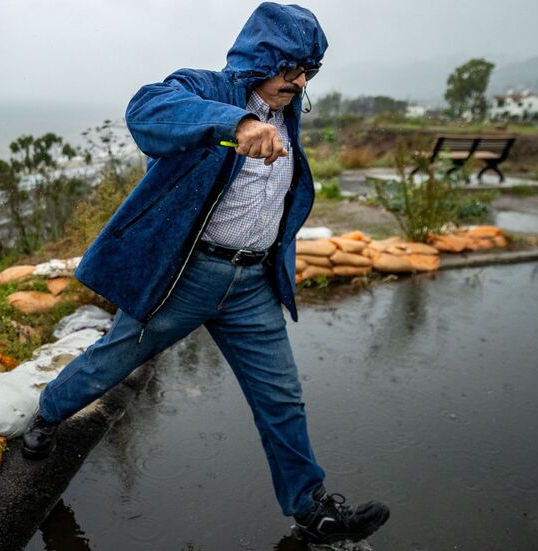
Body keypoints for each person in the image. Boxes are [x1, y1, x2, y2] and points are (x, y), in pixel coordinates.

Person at [22, 2, 389, 545]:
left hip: (251, 286)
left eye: (309, 69)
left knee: (282, 396)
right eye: (291, 66)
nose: (301, 79)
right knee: (111, 360)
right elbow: (147, 108)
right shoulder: (207, 89)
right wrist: (234, 123)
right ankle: (47, 417)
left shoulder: (288, 112)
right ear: (263, 57)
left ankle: (311, 510)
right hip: (185, 279)